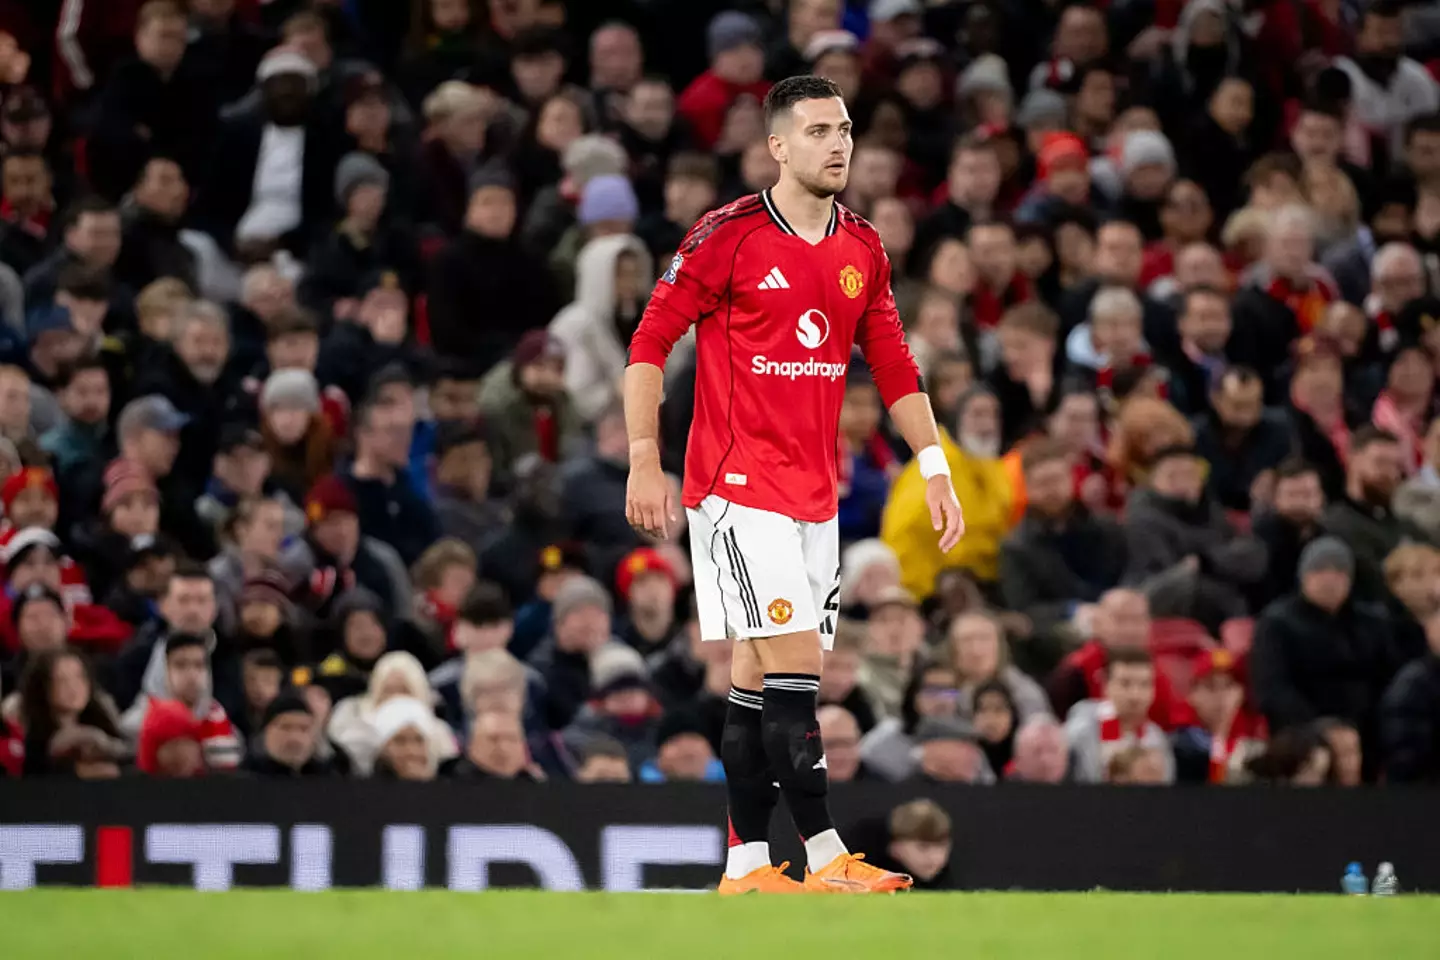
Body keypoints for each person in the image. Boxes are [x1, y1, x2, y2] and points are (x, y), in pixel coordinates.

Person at [624, 76, 962, 894]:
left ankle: (745, 863)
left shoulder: (863, 248)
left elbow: (895, 365)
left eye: (843, 129)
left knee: (755, 677)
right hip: (736, 488)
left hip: (815, 496)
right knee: (799, 667)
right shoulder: (728, 236)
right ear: (777, 146)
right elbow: (649, 342)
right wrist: (642, 456)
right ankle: (824, 854)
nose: (837, 144)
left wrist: (936, 468)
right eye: (817, 131)